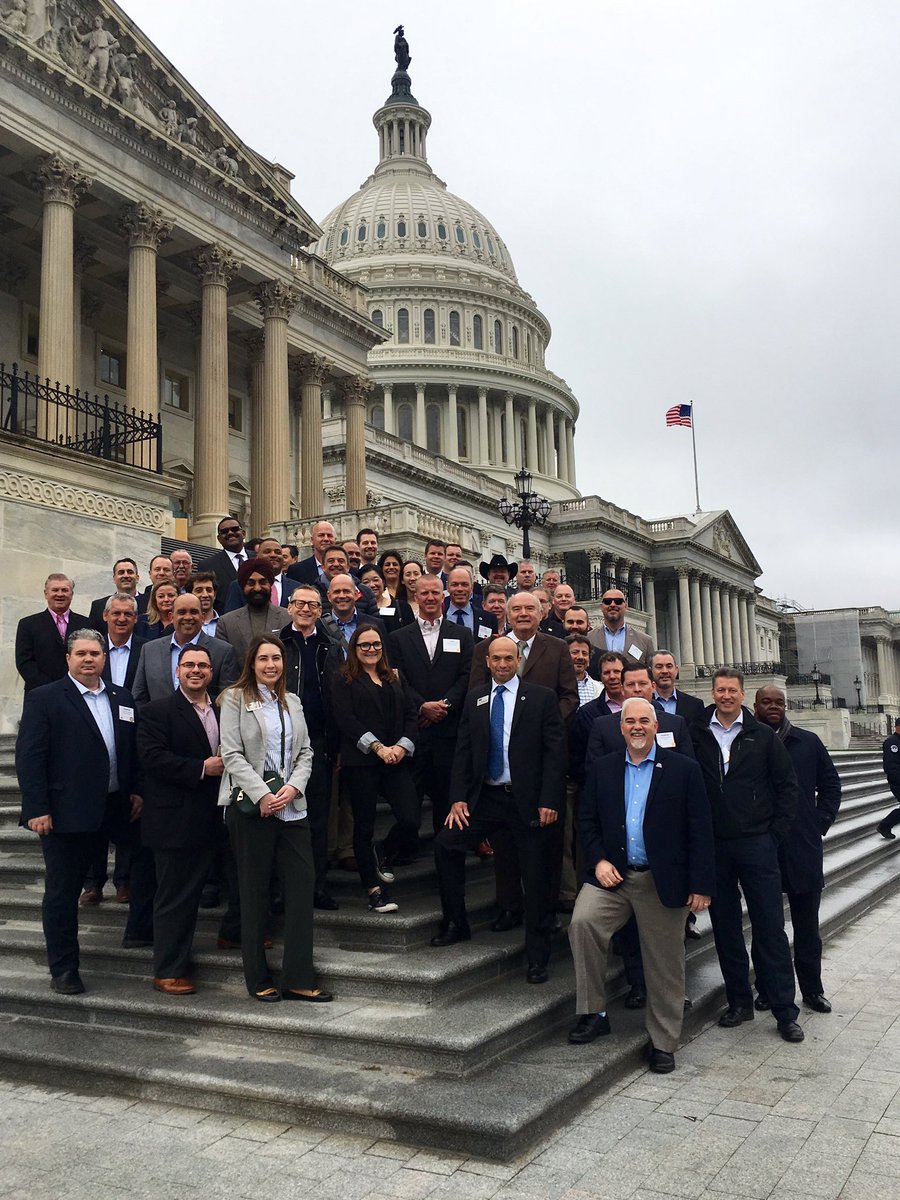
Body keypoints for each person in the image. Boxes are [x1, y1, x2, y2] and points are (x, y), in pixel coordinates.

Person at [568, 698, 715, 1073]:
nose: (636, 727)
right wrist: (598, 860)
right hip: (612, 875)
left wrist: (700, 884)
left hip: (661, 879)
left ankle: (663, 1041)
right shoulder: (603, 769)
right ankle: (594, 1012)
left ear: (656, 726)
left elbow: (700, 829)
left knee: (665, 961)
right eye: (629, 721)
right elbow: (586, 821)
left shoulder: (683, 769)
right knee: (583, 923)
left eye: (644, 721)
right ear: (620, 728)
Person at [16, 629, 154, 993]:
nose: (89, 659)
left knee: (146, 859)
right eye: (81, 654)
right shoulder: (46, 698)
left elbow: (132, 750)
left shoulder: (121, 697)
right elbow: (30, 756)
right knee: (62, 892)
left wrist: (137, 790)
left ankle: (140, 931)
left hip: (117, 805)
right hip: (66, 810)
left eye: (95, 653)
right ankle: (63, 968)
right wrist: (37, 807)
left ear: (104, 659)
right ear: (68, 659)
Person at [431, 637, 565, 984]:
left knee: (534, 876)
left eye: (509, 658)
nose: (503, 664)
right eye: (496, 659)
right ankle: (456, 923)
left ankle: (537, 955)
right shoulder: (476, 698)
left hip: (528, 800)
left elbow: (554, 755)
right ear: (487, 662)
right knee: (446, 843)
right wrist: (458, 797)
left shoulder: (541, 698)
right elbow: (463, 750)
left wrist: (549, 799)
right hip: (484, 798)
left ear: (518, 659)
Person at [691, 668, 804, 1042]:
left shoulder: (762, 736)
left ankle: (785, 1010)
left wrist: (773, 836)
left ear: (743, 694)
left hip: (757, 843)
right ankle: (739, 1001)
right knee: (725, 928)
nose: (726, 696)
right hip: (715, 845)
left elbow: (787, 788)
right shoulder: (697, 731)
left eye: (732, 691)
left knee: (770, 927)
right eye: (720, 690)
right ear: (713, 692)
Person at [218, 635, 330, 1003]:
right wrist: (263, 795)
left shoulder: (292, 701)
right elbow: (231, 753)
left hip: (292, 808)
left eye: (277, 659)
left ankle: (298, 976)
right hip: (252, 808)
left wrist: (294, 788)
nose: (271, 665)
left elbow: (306, 751)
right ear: (251, 663)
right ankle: (258, 977)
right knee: (254, 892)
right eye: (264, 659)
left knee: (301, 887)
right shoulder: (235, 698)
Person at [470, 590, 577, 929]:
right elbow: (477, 698)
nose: (524, 614)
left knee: (545, 847)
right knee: (504, 846)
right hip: (499, 767)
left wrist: (541, 728)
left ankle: (545, 910)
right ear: (506, 614)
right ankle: (509, 906)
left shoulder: (557, 648)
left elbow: (569, 697)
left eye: (530, 608)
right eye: (517, 608)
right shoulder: (486, 650)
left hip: (541, 762)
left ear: (542, 612)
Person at [137, 645, 230, 995]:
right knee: (176, 898)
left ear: (211, 672)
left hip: (218, 817)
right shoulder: (156, 711)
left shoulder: (224, 711)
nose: (196, 670)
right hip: (175, 821)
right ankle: (168, 969)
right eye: (189, 665)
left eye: (203, 666)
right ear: (177, 671)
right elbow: (151, 758)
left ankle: (234, 935)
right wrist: (201, 768)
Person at [753, 686, 841, 1013]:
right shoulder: (748, 741)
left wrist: (820, 822)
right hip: (764, 846)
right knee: (766, 925)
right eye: (767, 702)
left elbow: (831, 784)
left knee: (807, 927)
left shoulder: (808, 742)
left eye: (778, 702)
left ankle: (812, 989)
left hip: (803, 844)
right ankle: (768, 988)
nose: (773, 707)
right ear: (756, 705)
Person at [330, 624, 420, 913]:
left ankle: (384, 850)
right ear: (354, 648)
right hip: (362, 762)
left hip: (395, 759)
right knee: (364, 825)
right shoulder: (343, 679)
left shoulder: (394, 676)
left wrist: (402, 746)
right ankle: (374, 890)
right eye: (364, 645)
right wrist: (377, 747)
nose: (371, 650)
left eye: (376, 644)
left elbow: (410, 713)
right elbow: (345, 719)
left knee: (411, 818)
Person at [391, 574, 475, 835]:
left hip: (448, 732)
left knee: (445, 799)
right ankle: (405, 851)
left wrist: (444, 705)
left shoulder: (462, 635)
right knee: (410, 804)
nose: (430, 597)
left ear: (443, 596)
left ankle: (445, 851)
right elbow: (398, 678)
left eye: (435, 593)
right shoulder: (398, 637)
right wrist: (422, 706)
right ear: (416, 597)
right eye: (424, 593)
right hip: (413, 731)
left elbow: (467, 675)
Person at [280, 584, 344, 909]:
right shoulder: (277, 644)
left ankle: (317, 887)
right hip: (281, 745)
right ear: (289, 607)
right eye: (300, 604)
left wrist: (337, 746)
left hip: (320, 744)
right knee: (280, 819)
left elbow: (339, 699)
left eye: (313, 605)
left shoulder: (331, 647)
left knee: (317, 820)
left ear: (321, 611)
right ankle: (281, 891)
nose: (306, 609)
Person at [132, 593, 237, 705]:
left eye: (193, 612)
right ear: (171, 617)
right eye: (182, 612)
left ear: (202, 617)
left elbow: (227, 701)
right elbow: (139, 697)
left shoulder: (223, 651)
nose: (188, 617)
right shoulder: (150, 650)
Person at [584, 663, 695, 768]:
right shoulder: (603, 727)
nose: (637, 689)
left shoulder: (676, 724)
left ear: (653, 687)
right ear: (622, 689)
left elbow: (688, 768)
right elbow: (594, 771)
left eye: (642, 684)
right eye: (631, 685)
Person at [15, 574, 90, 694]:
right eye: (55, 590)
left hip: (78, 693)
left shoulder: (86, 624)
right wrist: (53, 688)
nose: (60, 594)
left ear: (72, 594)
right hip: (40, 693)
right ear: (46, 594)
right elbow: (25, 662)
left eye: (65, 590)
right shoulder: (28, 624)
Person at [216, 558, 290, 665]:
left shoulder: (288, 618)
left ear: (271, 584)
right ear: (243, 586)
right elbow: (224, 665)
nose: (257, 588)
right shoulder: (226, 623)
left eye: (262, 582)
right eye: (251, 583)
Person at [587, 588, 655, 664]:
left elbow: (650, 671)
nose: (612, 604)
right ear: (601, 607)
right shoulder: (589, 638)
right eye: (607, 602)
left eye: (618, 601)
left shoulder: (645, 641)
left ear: (626, 606)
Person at [222, 537, 292, 611]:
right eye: (267, 551)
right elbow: (231, 617)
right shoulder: (238, 585)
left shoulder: (295, 587)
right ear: (257, 556)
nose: (273, 555)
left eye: (278, 552)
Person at [206, 516, 250, 614]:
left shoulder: (258, 559)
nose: (230, 533)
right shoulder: (208, 565)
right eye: (225, 531)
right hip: (226, 622)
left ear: (243, 533)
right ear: (219, 539)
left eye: (235, 529)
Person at [88, 558, 148, 629]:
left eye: (130, 572)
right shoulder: (99, 606)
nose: (126, 576)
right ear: (114, 579)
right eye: (121, 572)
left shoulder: (150, 603)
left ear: (137, 578)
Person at [443, 565, 497, 641]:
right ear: (447, 587)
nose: (460, 589)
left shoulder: (488, 619)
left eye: (465, 584)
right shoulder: (438, 617)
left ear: (471, 587)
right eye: (454, 584)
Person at [650, 650, 705, 723]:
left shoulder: (695, 705)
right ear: (650, 671)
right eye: (659, 667)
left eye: (669, 666)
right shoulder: (643, 704)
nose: (665, 671)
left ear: (676, 670)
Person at [359, 564, 414, 632]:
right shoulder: (358, 610)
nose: (372, 585)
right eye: (366, 582)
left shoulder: (402, 606)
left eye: (375, 580)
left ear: (383, 582)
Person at [286, 519, 337, 588]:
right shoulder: (296, 570)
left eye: (329, 535)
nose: (326, 539)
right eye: (321, 535)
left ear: (335, 540)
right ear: (312, 540)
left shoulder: (348, 569)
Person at [876, 716, 900, 838]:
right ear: (898, 727)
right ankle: (885, 825)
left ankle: (885, 826)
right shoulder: (892, 742)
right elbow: (891, 766)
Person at [568, 634, 602, 708]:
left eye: (584, 653)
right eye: (575, 652)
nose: (580, 657)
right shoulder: (554, 685)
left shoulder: (600, 689)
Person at [185, 571, 220, 638]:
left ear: (214, 594)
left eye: (209, 590)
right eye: (199, 590)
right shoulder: (183, 624)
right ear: (190, 594)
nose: (205, 595)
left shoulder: (226, 624)